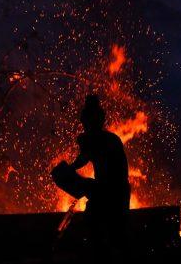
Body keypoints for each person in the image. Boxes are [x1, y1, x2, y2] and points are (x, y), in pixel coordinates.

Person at [54, 94, 131, 260]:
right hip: (119, 192)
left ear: (90, 121)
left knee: (98, 225)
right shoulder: (111, 138)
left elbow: (83, 157)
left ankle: (101, 254)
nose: (84, 126)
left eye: (85, 123)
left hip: (109, 191)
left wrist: (68, 170)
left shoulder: (96, 138)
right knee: (112, 234)